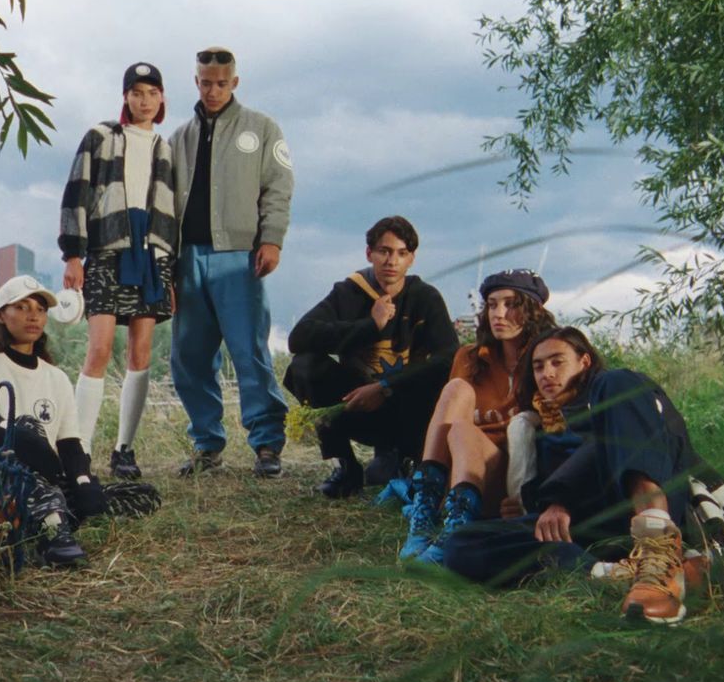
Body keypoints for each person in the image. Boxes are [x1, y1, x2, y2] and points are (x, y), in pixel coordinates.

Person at [442, 326, 724, 625]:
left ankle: (658, 550)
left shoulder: (614, 395)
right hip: (584, 527)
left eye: (557, 361)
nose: (546, 373)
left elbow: (602, 449)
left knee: (618, 380)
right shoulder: (534, 427)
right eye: (538, 367)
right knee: (461, 544)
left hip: (636, 501)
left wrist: (560, 499)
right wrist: (526, 503)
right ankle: (614, 574)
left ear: (584, 362)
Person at [166, 46, 294, 478]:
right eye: (206, 82)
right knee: (188, 357)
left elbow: (278, 187)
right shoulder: (177, 138)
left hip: (241, 259)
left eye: (222, 83)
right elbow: (163, 205)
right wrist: (165, 264)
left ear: (234, 82)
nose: (214, 90)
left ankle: (267, 445)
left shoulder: (262, 129)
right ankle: (206, 445)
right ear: (196, 81)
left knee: (249, 353)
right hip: (187, 261)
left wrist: (271, 240)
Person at [59, 62, 179, 479]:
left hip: (152, 257)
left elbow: (172, 213)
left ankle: (124, 450)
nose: (144, 100)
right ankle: (79, 450)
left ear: (162, 99)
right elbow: (76, 193)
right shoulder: (100, 137)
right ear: (125, 96)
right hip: (108, 251)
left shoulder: (166, 149)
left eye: (152, 93)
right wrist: (73, 254)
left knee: (141, 352)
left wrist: (171, 272)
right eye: (136, 92)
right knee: (99, 350)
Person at [284, 215, 459, 498]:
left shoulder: (425, 297)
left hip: (408, 407)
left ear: (411, 259)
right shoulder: (348, 293)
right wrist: (370, 326)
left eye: (401, 253)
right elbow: (298, 337)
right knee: (304, 365)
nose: (392, 261)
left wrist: (386, 387)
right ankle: (346, 467)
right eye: (384, 251)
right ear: (370, 254)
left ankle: (409, 458)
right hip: (356, 404)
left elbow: (449, 356)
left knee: (445, 375)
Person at [397, 269, 556, 564]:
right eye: (492, 305)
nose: (498, 313)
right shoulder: (471, 357)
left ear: (533, 310)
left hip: (513, 485)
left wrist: (533, 500)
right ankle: (426, 514)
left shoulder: (547, 362)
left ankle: (454, 532)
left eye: (510, 304)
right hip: (463, 475)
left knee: (465, 431)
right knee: (457, 396)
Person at [0, 275, 109, 566]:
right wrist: (24, 441)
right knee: (18, 466)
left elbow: (69, 443)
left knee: (93, 495)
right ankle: (55, 534)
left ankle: (49, 518)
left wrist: (82, 479)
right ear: (1, 314)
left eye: (40, 309)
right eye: (22, 307)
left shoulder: (56, 377)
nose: (33, 315)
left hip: (44, 470)